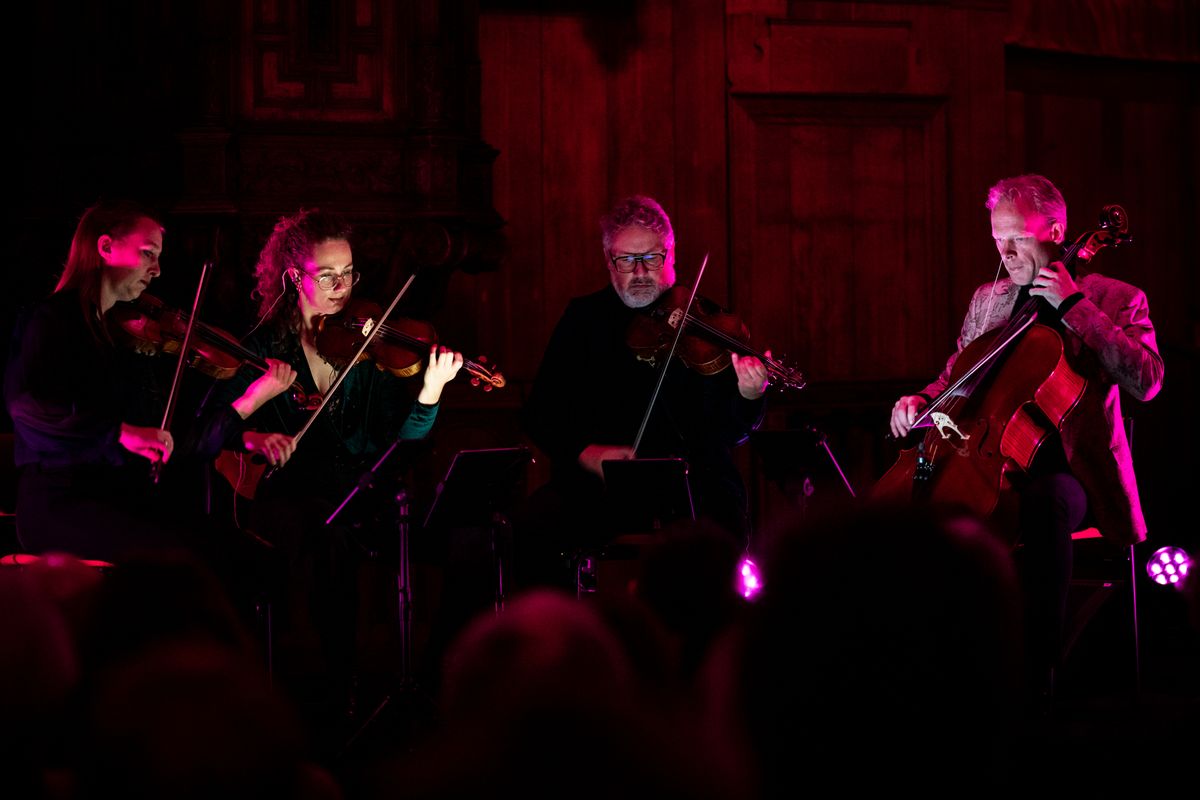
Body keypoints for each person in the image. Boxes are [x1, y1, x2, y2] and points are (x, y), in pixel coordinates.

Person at [888, 174, 1164, 701]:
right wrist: (920, 400)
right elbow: (955, 375)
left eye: (1017, 237)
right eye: (997, 238)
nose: (1006, 252)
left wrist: (1075, 307)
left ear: (1056, 232)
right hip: (987, 460)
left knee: (1046, 501)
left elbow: (1147, 380)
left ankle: (1036, 674)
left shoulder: (1116, 298)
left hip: (1073, 474)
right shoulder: (988, 300)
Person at [210, 207, 462, 728]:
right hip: (288, 499)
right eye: (327, 275)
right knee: (329, 539)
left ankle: (435, 684)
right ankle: (333, 692)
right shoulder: (262, 349)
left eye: (348, 273)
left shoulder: (372, 349)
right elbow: (215, 430)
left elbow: (403, 443)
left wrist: (431, 392)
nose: (341, 288)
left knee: (463, 541)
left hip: (362, 496)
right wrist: (254, 434)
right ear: (293, 277)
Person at [4, 200, 296, 562]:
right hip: (63, 504)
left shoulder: (120, 337)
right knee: (186, 559)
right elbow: (28, 410)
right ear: (106, 247)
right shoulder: (51, 321)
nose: (157, 270)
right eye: (147, 253)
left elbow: (168, 437)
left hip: (122, 499)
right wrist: (119, 433)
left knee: (250, 555)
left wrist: (244, 420)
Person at [520, 195, 769, 587]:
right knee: (535, 526)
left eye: (651, 258)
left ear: (671, 256)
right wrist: (586, 453)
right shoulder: (584, 319)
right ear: (609, 262)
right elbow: (540, 413)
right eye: (626, 260)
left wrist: (749, 395)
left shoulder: (708, 324)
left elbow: (730, 430)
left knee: (721, 526)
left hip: (692, 483)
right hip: (602, 485)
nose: (639, 271)